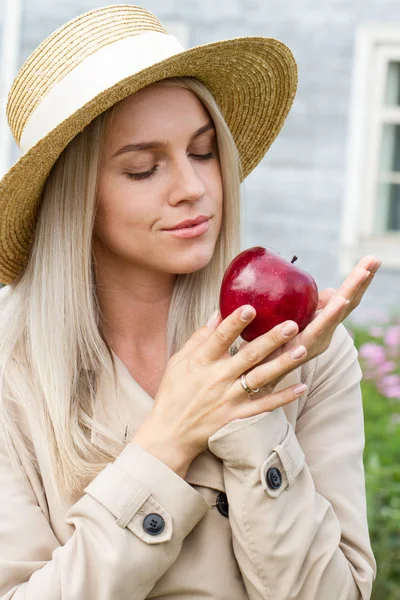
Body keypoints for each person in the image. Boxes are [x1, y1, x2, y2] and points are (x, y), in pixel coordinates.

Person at [0, 4, 380, 600]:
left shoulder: (304, 353)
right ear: (74, 200)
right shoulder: (10, 372)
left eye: (203, 153)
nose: (194, 188)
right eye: (144, 168)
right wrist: (166, 442)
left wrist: (254, 407)